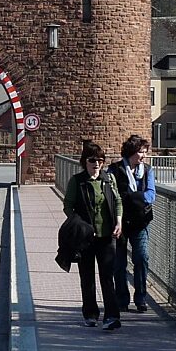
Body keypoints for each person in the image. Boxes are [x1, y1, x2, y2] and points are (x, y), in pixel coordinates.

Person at [63, 140, 124, 331]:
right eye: (92, 160)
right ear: (84, 162)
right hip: (86, 237)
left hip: (106, 236)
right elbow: (68, 205)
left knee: (107, 276)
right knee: (87, 276)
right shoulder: (77, 181)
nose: (96, 163)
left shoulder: (108, 179)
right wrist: (78, 224)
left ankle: (112, 317)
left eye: (100, 160)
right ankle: (90, 314)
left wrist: (119, 221)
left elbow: (118, 200)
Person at [109, 135, 156, 313]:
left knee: (142, 258)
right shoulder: (115, 170)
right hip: (120, 223)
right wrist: (134, 199)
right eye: (141, 152)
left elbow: (151, 195)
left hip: (140, 222)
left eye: (145, 152)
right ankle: (122, 299)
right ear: (131, 152)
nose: (144, 156)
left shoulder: (147, 171)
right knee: (119, 263)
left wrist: (131, 197)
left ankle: (141, 298)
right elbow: (112, 195)